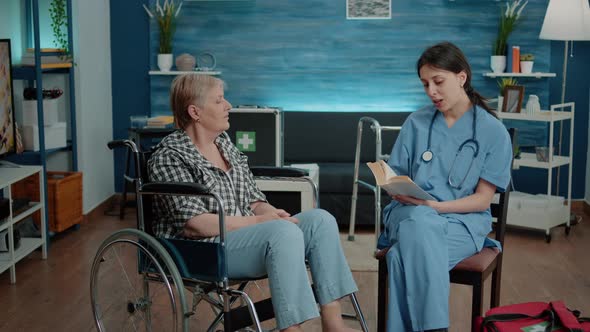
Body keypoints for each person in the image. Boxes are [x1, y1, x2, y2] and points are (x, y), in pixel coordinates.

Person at [148, 73, 360, 332]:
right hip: (204, 249)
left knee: (321, 221)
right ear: (195, 112)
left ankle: (333, 322)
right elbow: (196, 225)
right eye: (219, 101)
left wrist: (270, 212)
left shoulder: (225, 145)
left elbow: (252, 198)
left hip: (245, 236)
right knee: (283, 233)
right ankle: (292, 329)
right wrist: (262, 221)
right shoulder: (170, 156)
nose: (228, 106)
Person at [377, 42, 513, 331]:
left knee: (402, 257)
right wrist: (395, 186)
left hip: (462, 223)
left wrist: (434, 206)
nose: (431, 92)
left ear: (461, 78)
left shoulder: (493, 132)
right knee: (421, 221)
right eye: (425, 84)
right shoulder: (416, 123)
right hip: (409, 213)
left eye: (438, 82)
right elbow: (396, 177)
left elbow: (481, 201)